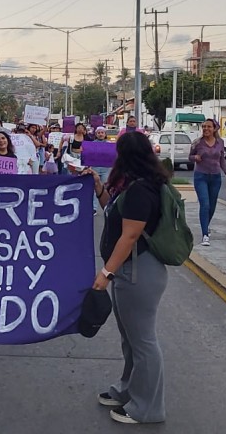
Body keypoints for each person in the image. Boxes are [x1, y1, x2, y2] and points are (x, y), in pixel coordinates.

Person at [86, 131, 169, 425]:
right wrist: (98, 188)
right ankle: (128, 390)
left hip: (139, 271)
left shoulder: (141, 190)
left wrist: (105, 272)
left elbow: (130, 235)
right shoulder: (130, 186)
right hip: (129, 270)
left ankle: (147, 408)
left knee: (143, 341)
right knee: (130, 338)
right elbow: (113, 211)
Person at [189, 119, 226, 247]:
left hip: (215, 178)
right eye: (203, 126)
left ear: (214, 129)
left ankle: (206, 227)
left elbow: (222, 160)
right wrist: (194, 158)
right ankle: (205, 235)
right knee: (205, 205)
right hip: (200, 176)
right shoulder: (198, 143)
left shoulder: (220, 143)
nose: (206, 129)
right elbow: (190, 157)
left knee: (212, 206)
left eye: (208, 126)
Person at [91, 126, 112, 211]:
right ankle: (94, 207)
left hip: (105, 169)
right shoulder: (92, 144)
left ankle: (107, 206)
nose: (100, 134)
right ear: (96, 134)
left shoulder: (109, 144)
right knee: (95, 187)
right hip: (95, 168)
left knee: (105, 188)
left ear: (105, 134)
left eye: (102, 132)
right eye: (99, 133)